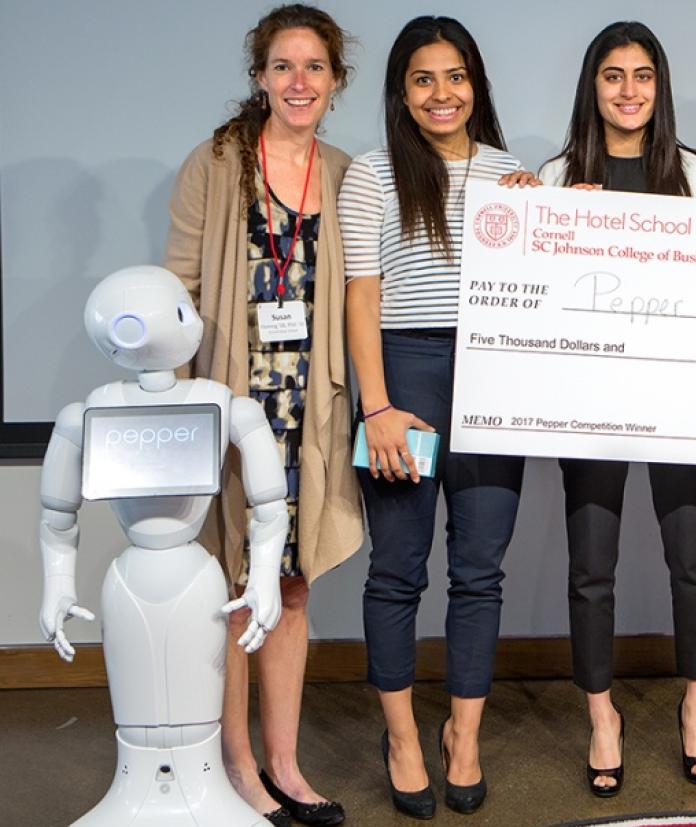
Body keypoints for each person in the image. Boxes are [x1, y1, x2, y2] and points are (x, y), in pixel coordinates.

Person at [164, 5, 362, 825]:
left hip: (309, 414)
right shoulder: (216, 162)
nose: (298, 82)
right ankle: (238, 764)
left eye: (314, 67)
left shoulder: (349, 171)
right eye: (283, 66)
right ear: (259, 77)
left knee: (292, 583)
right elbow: (179, 289)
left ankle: (284, 761)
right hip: (229, 411)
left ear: (335, 81)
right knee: (235, 587)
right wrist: (180, 409)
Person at [338, 15, 527, 820]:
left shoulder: (514, 173)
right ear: (401, 92)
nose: (441, 93)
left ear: (476, 85)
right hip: (405, 379)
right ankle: (403, 738)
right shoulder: (374, 174)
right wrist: (376, 405)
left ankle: (463, 736)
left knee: (479, 571)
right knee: (397, 569)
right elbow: (362, 293)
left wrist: (557, 214)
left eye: (455, 77)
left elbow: (546, 285)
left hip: (493, 378)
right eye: (423, 79)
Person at [531, 21, 696, 796]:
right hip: (589, 399)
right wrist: (549, 226)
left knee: (693, 559)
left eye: (643, 75)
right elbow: (536, 296)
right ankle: (603, 717)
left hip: (680, 397)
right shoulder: (554, 174)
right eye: (613, 75)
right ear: (592, 86)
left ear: (661, 85)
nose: (629, 90)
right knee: (592, 566)